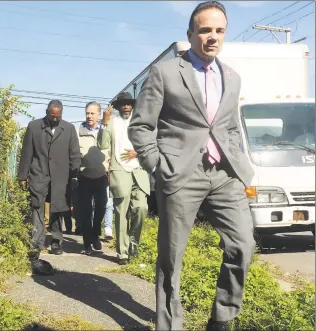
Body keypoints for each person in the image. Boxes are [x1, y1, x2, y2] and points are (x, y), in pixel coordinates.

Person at [127, 2, 255, 330]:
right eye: (205, 30)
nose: (212, 37)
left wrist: (240, 164)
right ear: (190, 34)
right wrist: (157, 164)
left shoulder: (233, 77)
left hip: (224, 175)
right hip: (180, 174)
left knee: (242, 244)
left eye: (219, 31)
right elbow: (141, 126)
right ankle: (170, 325)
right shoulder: (166, 72)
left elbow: (227, 128)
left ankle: (222, 318)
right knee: (171, 258)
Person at [18, 100, 81, 275]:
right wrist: (23, 176)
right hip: (39, 174)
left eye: (58, 116)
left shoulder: (68, 129)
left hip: (61, 176)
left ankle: (56, 243)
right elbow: (27, 152)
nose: (55, 119)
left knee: (57, 209)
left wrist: (75, 175)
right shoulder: (34, 126)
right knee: (36, 208)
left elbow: (75, 153)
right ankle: (36, 245)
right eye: (52, 116)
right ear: (47, 112)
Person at [98, 92, 150, 265]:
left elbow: (151, 142)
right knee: (121, 212)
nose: (126, 107)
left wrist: (138, 152)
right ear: (118, 107)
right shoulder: (112, 123)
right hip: (119, 169)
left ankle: (133, 242)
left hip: (139, 169)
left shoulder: (140, 121)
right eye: (123, 104)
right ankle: (122, 253)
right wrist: (104, 123)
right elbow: (102, 145)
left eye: (129, 104)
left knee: (141, 208)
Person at [76, 101, 109, 255]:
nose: (89, 116)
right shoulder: (79, 131)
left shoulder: (106, 130)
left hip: (102, 176)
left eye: (92, 113)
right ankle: (88, 243)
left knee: (101, 207)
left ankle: (96, 233)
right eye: (87, 113)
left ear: (98, 114)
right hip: (84, 177)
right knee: (86, 211)